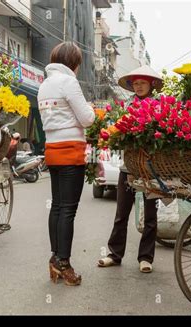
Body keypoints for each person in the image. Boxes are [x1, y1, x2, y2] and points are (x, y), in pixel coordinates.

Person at [38, 42, 95, 286]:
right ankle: (64, 263)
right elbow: (87, 119)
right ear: (73, 62)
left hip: (52, 151)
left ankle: (55, 258)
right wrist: (91, 110)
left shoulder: (44, 85)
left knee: (58, 207)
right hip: (71, 152)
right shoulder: (69, 82)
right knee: (68, 210)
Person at [97, 65, 163, 273]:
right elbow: (114, 128)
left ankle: (145, 258)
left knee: (150, 215)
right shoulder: (126, 106)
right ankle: (114, 255)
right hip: (128, 168)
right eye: (136, 83)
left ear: (151, 84)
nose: (139, 86)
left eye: (143, 83)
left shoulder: (159, 106)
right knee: (121, 214)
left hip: (151, 169)